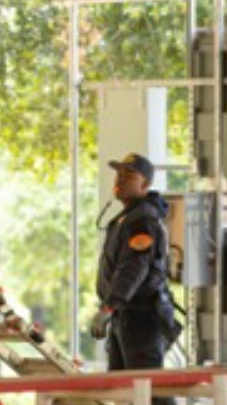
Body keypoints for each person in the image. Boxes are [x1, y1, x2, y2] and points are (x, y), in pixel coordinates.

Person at [91, 153, 178, 405]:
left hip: (141, 317)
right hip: (126, 315)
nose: (120, 179)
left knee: (149, 390)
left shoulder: (142, 219)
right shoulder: (128, 217)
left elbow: (133, 267)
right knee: (124, 392)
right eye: (118, 173)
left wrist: (109, 305)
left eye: (129, 175)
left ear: (145, 185)